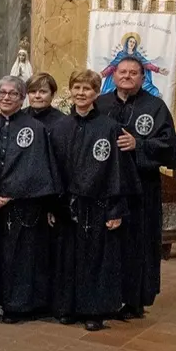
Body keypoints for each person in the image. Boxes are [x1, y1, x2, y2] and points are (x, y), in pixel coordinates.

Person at [95, 56, 176, 319]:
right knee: (106, 244)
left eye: (134, 72)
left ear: (143, 78)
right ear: (114, 75)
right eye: (122, 72)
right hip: (106, 189)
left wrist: (139, 145)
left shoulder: (155, 107)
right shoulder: (100, 104)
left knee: (137, 245)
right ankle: (104, 298)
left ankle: (134, 300)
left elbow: (170, 148)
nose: (127, 76)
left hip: (142, 190)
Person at [52, 70, 132, 331]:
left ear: (97, 93)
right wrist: (53, 205)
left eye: (87, 88)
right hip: (68, 204)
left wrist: (116, 209)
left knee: (96, 260)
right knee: (68, 258)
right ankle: (68, 308)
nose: (81, 93)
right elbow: (53, 169)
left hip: (98, 205)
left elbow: (117, 170)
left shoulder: (109, 128)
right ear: (70, 91)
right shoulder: (60, 127)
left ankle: (94, 311)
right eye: (76, 87)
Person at [0, 76, 60, 323]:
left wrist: (7, 194)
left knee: (20, 258)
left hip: (22, 205)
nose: (6, 97)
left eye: (13, 94)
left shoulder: (34, 128)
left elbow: (34, 167)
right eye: (2, 92)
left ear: (22, 97)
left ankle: (17, 305)